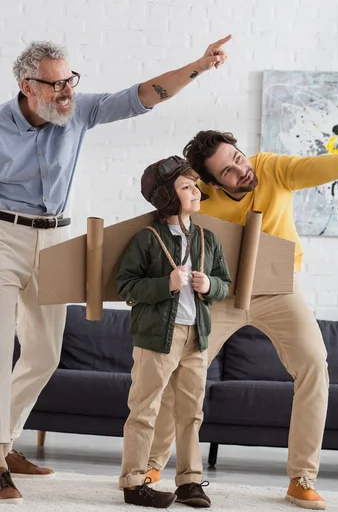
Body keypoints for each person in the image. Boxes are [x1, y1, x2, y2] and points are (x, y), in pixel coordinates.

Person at [0, 35, 231, 504]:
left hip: (55, 238)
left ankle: (5, 441)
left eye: (70, 80)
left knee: (43, 354)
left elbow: (141, 96)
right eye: (55, 84)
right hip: (3, 236)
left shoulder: (78, 111)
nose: (67, 91)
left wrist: (200, 66)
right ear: (27, 85)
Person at [145, 117, 338, 511]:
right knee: (183, 368)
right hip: (219, 294)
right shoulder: (199, 198)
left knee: (314, 365)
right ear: (212, 183)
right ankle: (152, 467)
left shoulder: (271, 168)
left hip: (278, 290)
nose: (242, 170)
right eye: (228, 171)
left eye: (239, 159)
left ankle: (301, 479)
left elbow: (311, 167)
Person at [116, 155, 231, 508]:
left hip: (196, 338)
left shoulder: (206, 239)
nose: (196, 190)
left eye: (195, 184)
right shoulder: (147, 239)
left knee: (191, 412)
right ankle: (135, 483)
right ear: (167, 196)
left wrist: (209, 285)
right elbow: (126, 287)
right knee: (145, 408)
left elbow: (225, 284)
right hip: (155, 339)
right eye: (186, 186)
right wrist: (165, 284)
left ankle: (190, 481)